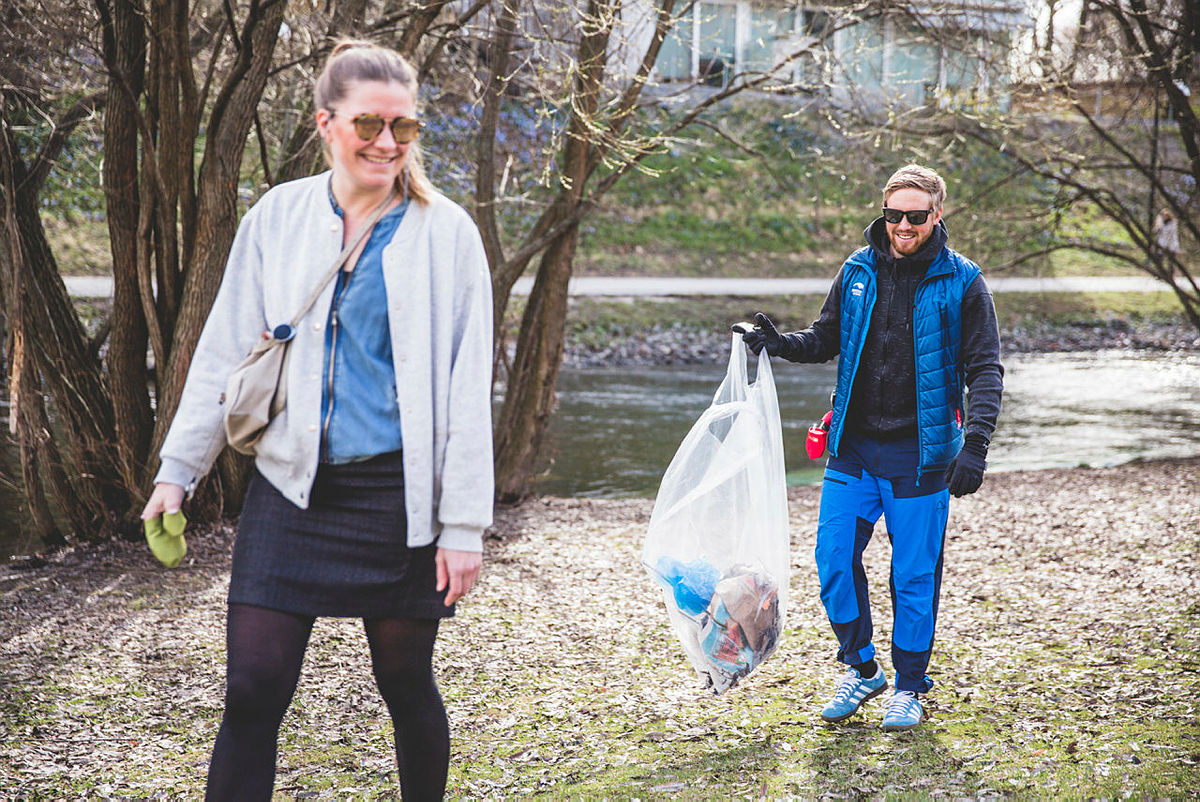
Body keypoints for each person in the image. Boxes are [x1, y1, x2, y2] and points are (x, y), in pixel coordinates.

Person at [140, 40, 494, 799]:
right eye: (370, 124)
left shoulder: (447, 234)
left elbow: (469, 391)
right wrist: (179, 471)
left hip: (400, 502)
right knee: (253, 691)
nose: (388, 144)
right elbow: (224, 350)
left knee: (404, 682)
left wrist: (463, 527)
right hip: (290, 494)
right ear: (326, 123)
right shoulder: (279, 217)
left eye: (406, 128)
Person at [738, 164, 1003, 731]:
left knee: (913, 576)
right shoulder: (858, 269)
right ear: (883, 213)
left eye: (915, 216)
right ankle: (861, 669)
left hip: (923, 456)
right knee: (832, 559)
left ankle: (910, 684)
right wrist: (779, 343)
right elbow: (826, 337)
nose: (902, 226)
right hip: (853, 449)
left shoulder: (964, 282)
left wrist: (975, 446)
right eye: (893, 214)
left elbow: (985, 370)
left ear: (937, 215)